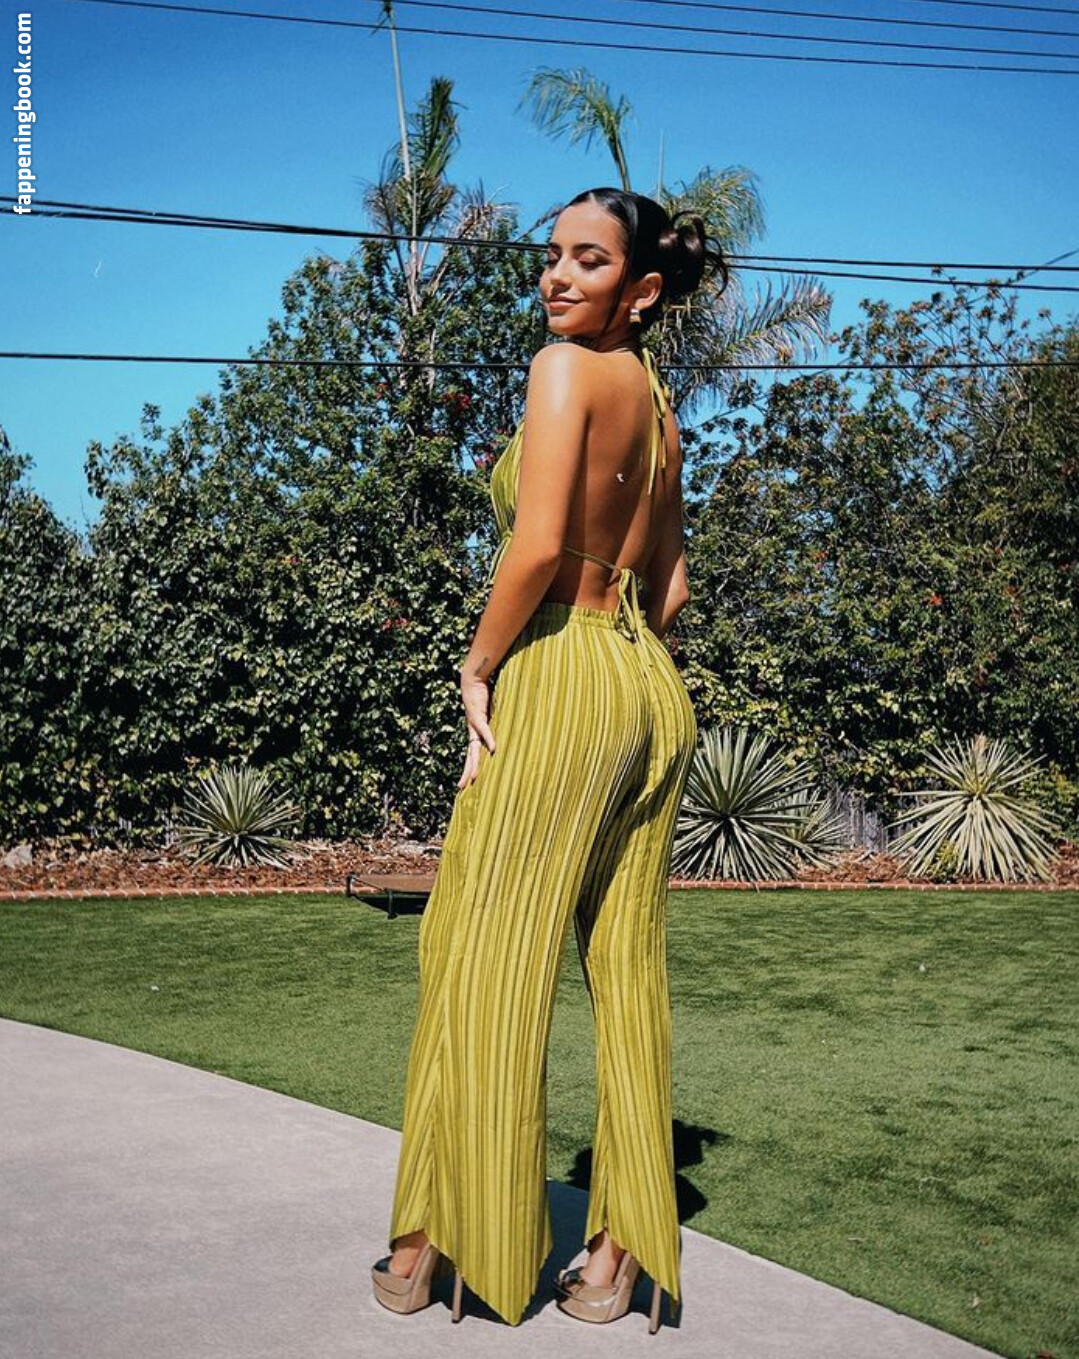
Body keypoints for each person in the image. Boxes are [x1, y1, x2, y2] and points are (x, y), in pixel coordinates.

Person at [371, 186, 728, 1332]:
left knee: (481, 954)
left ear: (642, 289)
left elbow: (532, 548)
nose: (558, 277)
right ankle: (616, 1261)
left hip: (562, 666)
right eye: (553, 255)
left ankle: (445, 1244)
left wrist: (479, 666)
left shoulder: (562, 369)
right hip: (647, 686)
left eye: (589, 260)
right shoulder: (660, 410)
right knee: (625, 974)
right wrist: (621, 671)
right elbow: (671, 587)